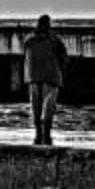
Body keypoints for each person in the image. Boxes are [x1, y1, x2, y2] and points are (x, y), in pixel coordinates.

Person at [22, 14, 67, 147]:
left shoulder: (29, 40)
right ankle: (46, 135)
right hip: (51, 78)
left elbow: (26, 55)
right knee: (49, 107)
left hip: (33, 78)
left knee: (35, 108)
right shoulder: (54, 40)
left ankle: (37, 135)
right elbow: (63, 57)